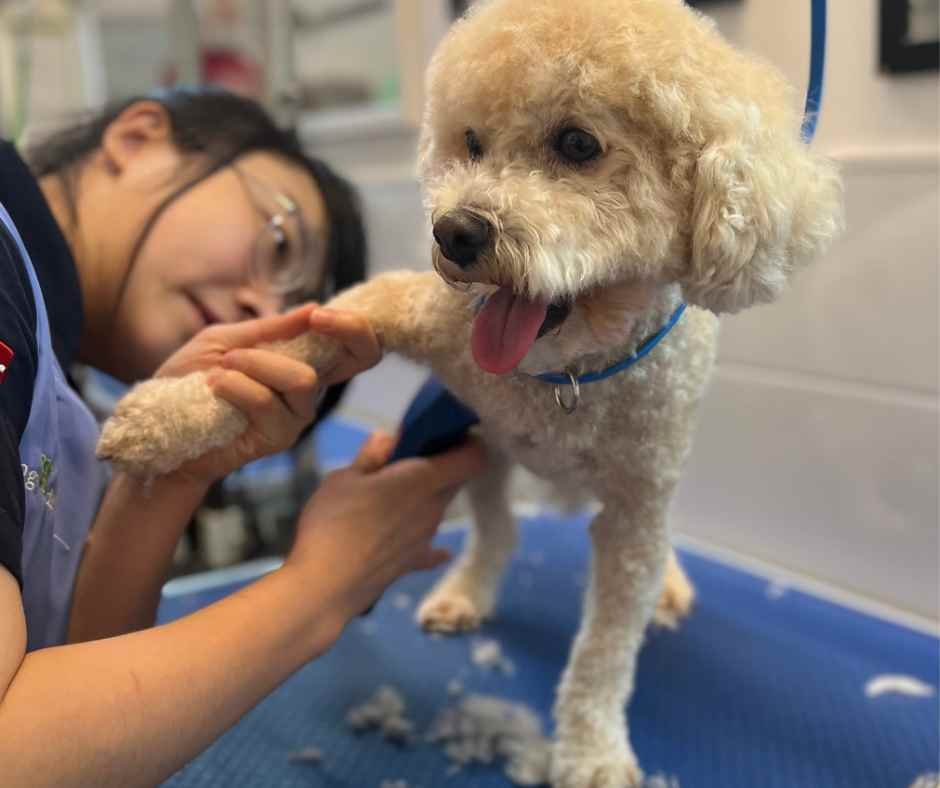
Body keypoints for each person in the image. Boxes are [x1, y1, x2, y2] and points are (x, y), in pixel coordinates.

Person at [0, 88, 485, 786]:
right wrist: (323, 586)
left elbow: (86, 717)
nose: (264, 306)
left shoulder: (51, 376)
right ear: (139, 138)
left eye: (292, 305)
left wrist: (161, 483)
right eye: (280, 244)